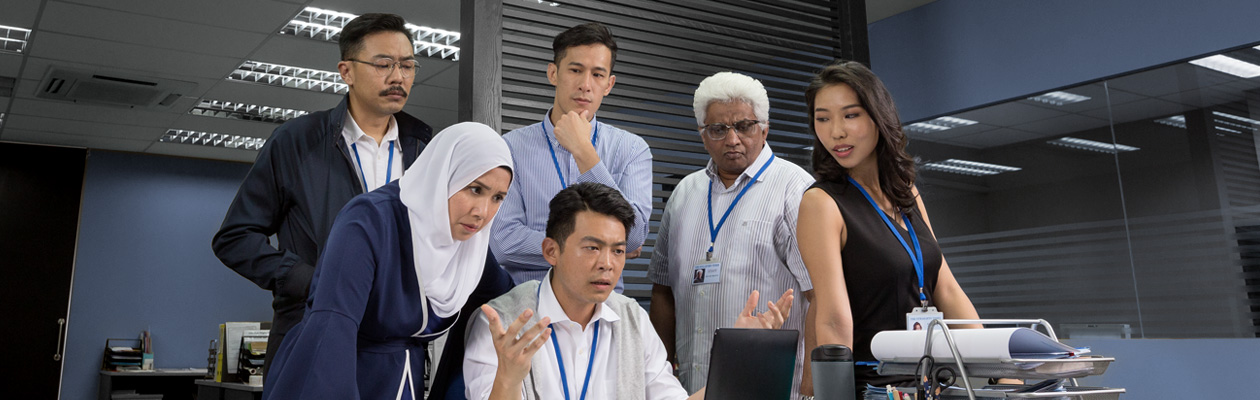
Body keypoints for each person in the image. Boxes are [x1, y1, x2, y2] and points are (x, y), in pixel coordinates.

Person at [212, 13, 433, 371]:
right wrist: (311, 280)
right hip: (312, 332)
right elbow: (235, 238)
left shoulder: (426, 149)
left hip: (394, 343)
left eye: (407, 65)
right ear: (346, 72)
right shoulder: (297, 141)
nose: (398, 77)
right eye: (384, 64)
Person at [464, 182, 794, 400]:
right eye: (592, 248)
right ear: (551, 251)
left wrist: (740, 360)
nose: (607, 264)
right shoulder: (500, 323)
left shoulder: (632, 318)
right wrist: (508, 379)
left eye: (618, 251)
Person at [262, 123, 516, 399]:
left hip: (404, 379)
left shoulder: (467, 247)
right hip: (335, 375)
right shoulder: (368, 221)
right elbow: (333, 326)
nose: (482, 212)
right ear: (444, 175)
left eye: (498, 197)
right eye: (475, 189)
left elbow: (505, 294)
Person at [796, 61, 982, 397]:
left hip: (931, 382)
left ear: (879, 117)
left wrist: (1002, 369)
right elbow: (833, 319)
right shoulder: (821, 202)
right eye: (822, 118)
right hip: (876, 387)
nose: (835, 131)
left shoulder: (905, 190)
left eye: (850, 115)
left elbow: (947, 288)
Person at [647, 72, 815, 398]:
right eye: (718, 129)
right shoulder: (684, 193)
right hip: (691, 390)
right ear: (702, 134)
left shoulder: (794, 189)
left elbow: (819, 295)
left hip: (771, 387)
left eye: (744, 126)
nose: (733, 139)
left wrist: (812, 389)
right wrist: (660, 375)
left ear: (765, 128)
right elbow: (662, 290)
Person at [490, 22, 653, 292]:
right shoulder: (510, 148)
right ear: (553, 73)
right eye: (575, 70)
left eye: (598, 75)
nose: (585, 85)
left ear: (609, 84)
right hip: (529, 308)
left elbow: (633, 238)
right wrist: (600, 246)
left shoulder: (632, 149)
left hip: (602, 313)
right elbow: (504, 243)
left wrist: (584, 151)